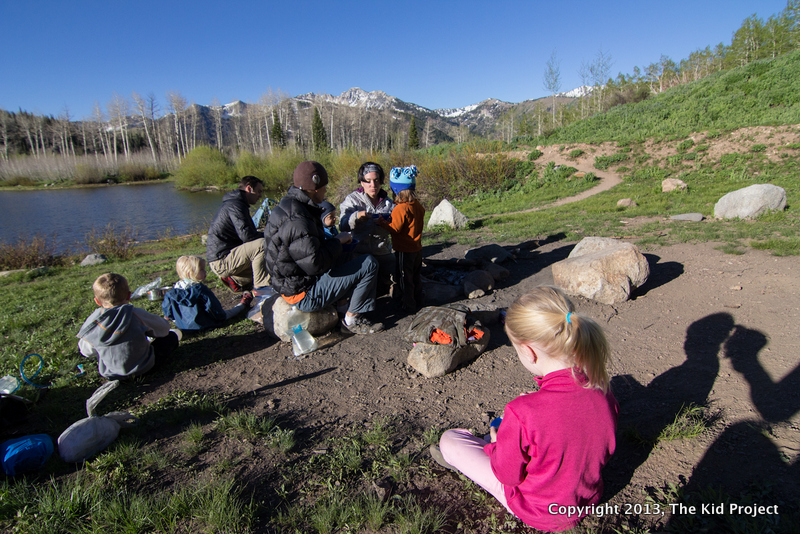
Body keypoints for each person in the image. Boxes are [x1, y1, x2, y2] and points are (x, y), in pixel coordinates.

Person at [432, 286, 619, 532]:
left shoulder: (523, 411)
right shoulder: (602, 389)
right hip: (584, 501)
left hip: (537, 510)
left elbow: (507, 476)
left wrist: (498, 443)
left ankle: (478, 445)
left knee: (450, 440)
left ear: (528, 352)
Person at [264, 161, 383, 335]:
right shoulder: (298, 219)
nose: (326, 191)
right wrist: (337, 241)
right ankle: (352, 319)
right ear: (314, 188)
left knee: (348, 256)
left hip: (292, 282)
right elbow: (315, 263)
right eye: (324, 187)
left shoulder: (290, 207)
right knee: (369, 263)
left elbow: (306, 253)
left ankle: (342, 307)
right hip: (302, 293)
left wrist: (338, 244)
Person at [77, 273, 181, 380]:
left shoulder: (94, 322)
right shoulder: (135, 314)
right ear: (129, 295)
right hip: (144, 368)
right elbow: (164, 329)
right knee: (171, 337)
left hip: (111, 374)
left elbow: (86, 351)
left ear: (97, 301)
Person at [338, 162, 395, 295]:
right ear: (361, 182)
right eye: (368, 181)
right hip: (359, 253)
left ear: (381, 181)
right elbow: (342, 225)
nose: (373, 185)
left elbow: (396, 228)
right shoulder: (352, 200)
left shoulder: (388, 203)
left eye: (376, 181)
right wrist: (356, 217)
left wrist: (387, 224)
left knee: (401, 275)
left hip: (383, 252)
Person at [206, 175, 269, 293]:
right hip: (222, 260)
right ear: (249, 189)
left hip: (225, 256)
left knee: (267, 265)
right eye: (259, 191)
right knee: (262, 244)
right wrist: (270, 235)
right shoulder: (236, 205)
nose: (260, 195)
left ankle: (237, 280)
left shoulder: (236, 203)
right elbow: (247, 236)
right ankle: (262, 289)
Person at [376, 165, 425, 312]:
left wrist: (383, 223)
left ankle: (407, 304)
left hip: (404, 249)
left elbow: (395, 229)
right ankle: (419, 299)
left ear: (396, 190)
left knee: (404, 278)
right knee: (416, 276)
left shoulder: (400, 208)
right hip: (417, 248)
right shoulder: (417, 205)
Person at [162, 255, 254, 331]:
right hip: (205, 324)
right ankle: (243, 304)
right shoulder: (200, 289)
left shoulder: (171, 293)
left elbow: (167, 313)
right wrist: (221, 317)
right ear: (191, 273)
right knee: (228, 313)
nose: (205, 272)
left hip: (183, 327)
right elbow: (214, 310)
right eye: (201, 269)